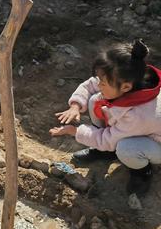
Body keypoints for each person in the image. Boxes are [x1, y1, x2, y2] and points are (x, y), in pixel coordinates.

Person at [50, 39, 161, 199]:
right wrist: (75, 105)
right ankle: (107, 153)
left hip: (156, 142)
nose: (99, 84)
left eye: (103, 83)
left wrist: (75, 131)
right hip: (140, 128)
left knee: (126, 148)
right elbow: (90, 85)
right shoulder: (127, 77)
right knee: (96, 99)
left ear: (126, 87)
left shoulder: (138, 115)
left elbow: (107, 139)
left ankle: (142, 172)